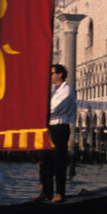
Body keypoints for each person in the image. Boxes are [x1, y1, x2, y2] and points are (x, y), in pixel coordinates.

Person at [37, 63, 75, 203]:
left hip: (59, 127)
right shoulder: (53, 90)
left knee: (58, 161)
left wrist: (39, 109)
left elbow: (53, 108)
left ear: (60, 74)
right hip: (48, 127)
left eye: (52, 73)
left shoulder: (67, 91)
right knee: (45, 160)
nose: (50, 76)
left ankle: (60, 192)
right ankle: (46, 192)